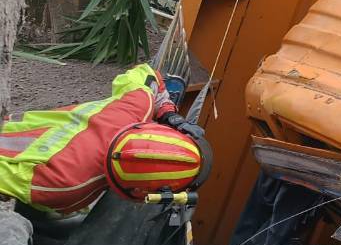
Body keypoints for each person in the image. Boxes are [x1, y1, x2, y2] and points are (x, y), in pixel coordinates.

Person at [0, 63, 207, 215]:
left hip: (9, 125)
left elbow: (148, 73)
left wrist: (167, 112)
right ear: (139, 192)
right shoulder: (68, 185)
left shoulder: (136, 106)